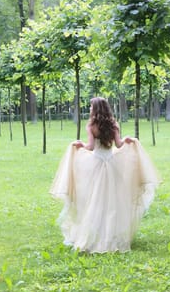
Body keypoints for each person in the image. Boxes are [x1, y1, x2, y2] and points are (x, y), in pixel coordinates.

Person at [50, 97, 160, 253]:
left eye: (90, 107)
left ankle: (95, 234)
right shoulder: (114, 125)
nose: (89, 109)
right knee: (113, 201)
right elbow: (119, 144)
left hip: (96, 164)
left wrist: (80, 145)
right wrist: (128, 140)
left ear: (95, 109)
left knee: (94, 200)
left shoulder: (92, 126)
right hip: (112, 164)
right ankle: (112, 235)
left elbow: (90, 147)